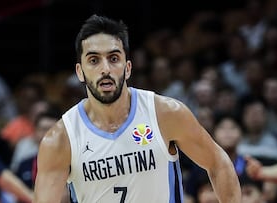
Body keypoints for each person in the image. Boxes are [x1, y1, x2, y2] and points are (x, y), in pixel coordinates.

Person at [34, 14, 241, 203]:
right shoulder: (61, 139)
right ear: (80, 71)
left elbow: (218, 163)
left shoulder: (165, 113)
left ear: (128, 67)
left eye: (113, 58)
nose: (105, 69)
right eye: (94, 60)